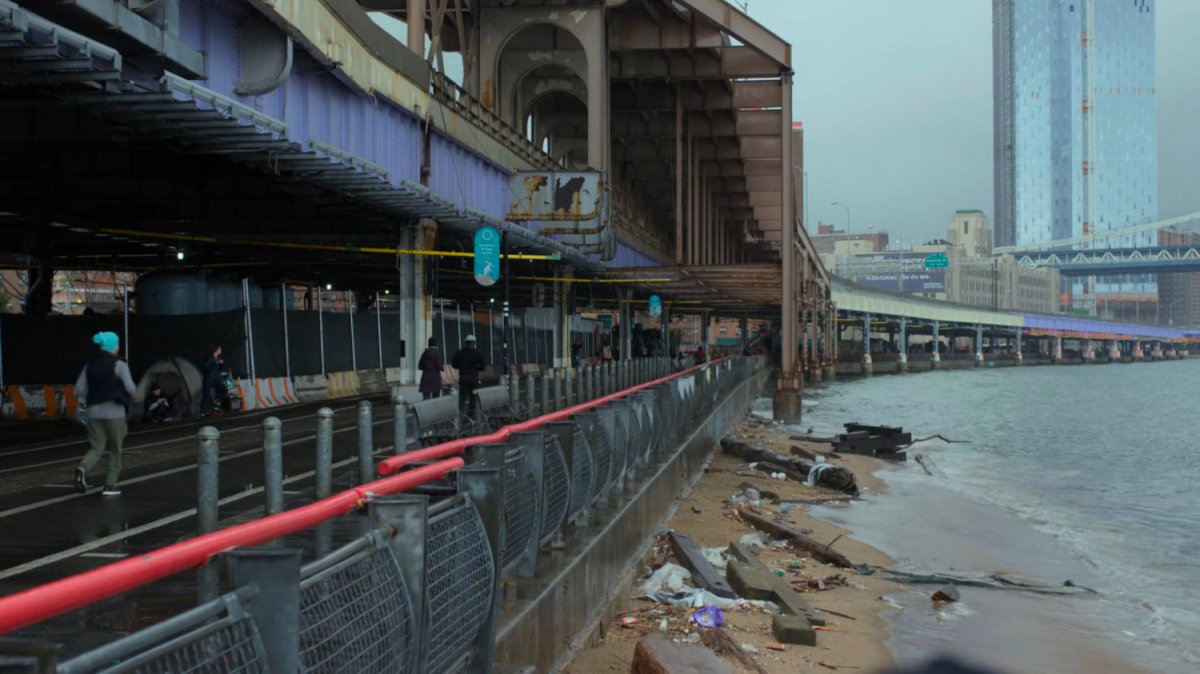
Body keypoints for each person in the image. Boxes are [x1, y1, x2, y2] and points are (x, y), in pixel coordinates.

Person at [74, 331, 136, 497]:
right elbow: (130, 388)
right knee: (115, 450)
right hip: (115, 412)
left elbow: (79, 389)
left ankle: (83, 468)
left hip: (93, 412)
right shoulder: (120, 365)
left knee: (97, 447)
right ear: (114, 346)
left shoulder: (90, 365)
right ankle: (110, 485)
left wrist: (89, 398)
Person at [451, 334, 487, 414]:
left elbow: (453, 364)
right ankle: (470, 417)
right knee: (473, 397)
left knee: (462, 397)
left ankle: (457, 415)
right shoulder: (477, 353)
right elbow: (483, 366)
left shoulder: (460, 352)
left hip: (463, 377)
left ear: (465, 343)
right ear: (474, 343)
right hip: (474, 378)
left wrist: (461, 367)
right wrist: (477, 369)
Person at [202, 344, 229, 416]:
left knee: (224, 389)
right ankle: (203, 412)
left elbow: (220, 369)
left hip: (216, 379)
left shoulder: (218, 359)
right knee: (206, 395)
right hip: (209, 379)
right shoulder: (210, 358)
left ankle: (217, 405)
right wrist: (215, 364)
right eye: (220, 349)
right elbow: (206, 367)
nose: (221, 350)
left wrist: (222, 364)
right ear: (216, 350)